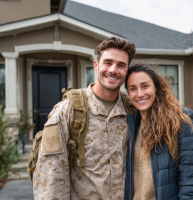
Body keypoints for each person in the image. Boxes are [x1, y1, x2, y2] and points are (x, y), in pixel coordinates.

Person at [32, 37, 136, 199]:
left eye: (121, 65)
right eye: (107, 62)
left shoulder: (132, 110)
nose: (113, 70)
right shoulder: (67, 110)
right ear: (96, 65)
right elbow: (50, 176)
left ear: (127, 71)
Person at [124, 63, 193, 200]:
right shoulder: (129, 125)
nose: (140, 94)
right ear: (128, 94)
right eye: (133, 89)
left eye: (145, 86)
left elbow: (192, 182)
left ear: (157, 88)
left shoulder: (181, 123)